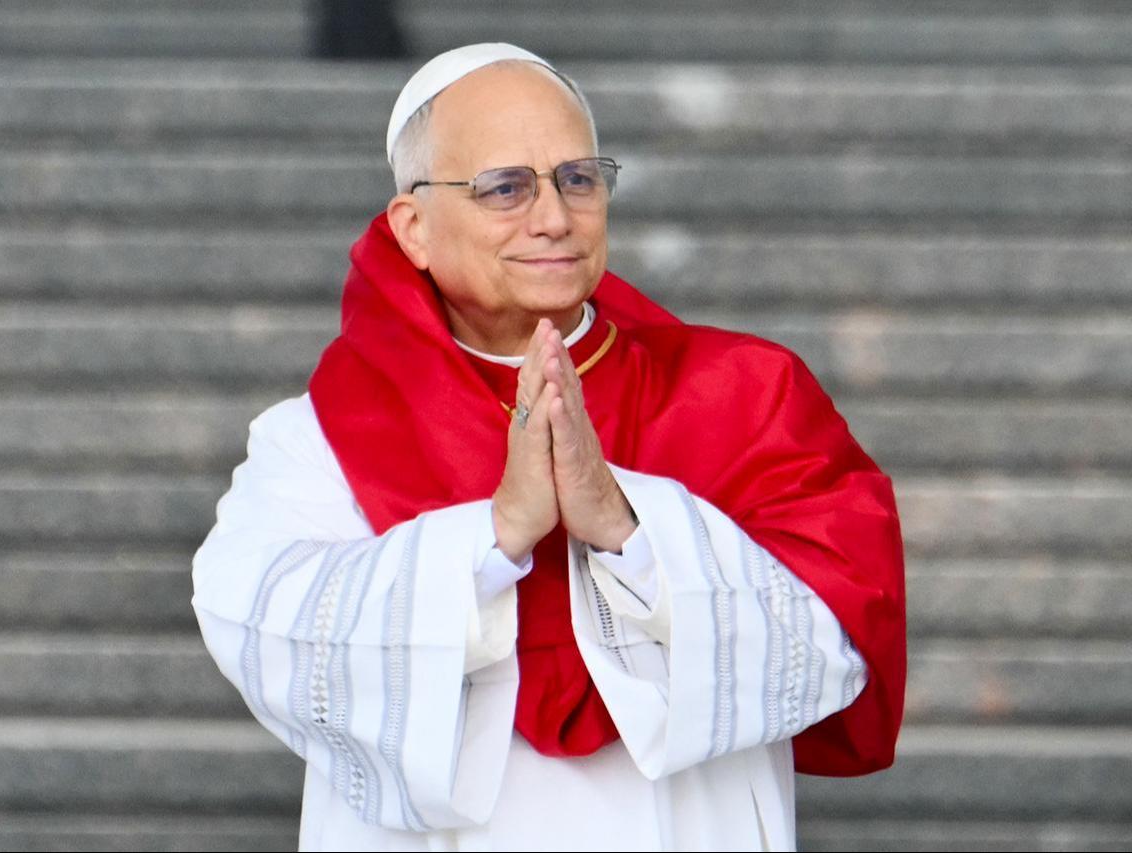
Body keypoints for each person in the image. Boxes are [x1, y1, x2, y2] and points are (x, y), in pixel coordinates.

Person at [192, 42, 906, 851]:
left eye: (578, 178)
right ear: (414, 227)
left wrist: (630, 527)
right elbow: (256, 623)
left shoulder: (747, 395)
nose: (555, 216)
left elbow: (840, 639)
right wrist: (493, 536)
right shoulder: (321, 435)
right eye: (505, 187)